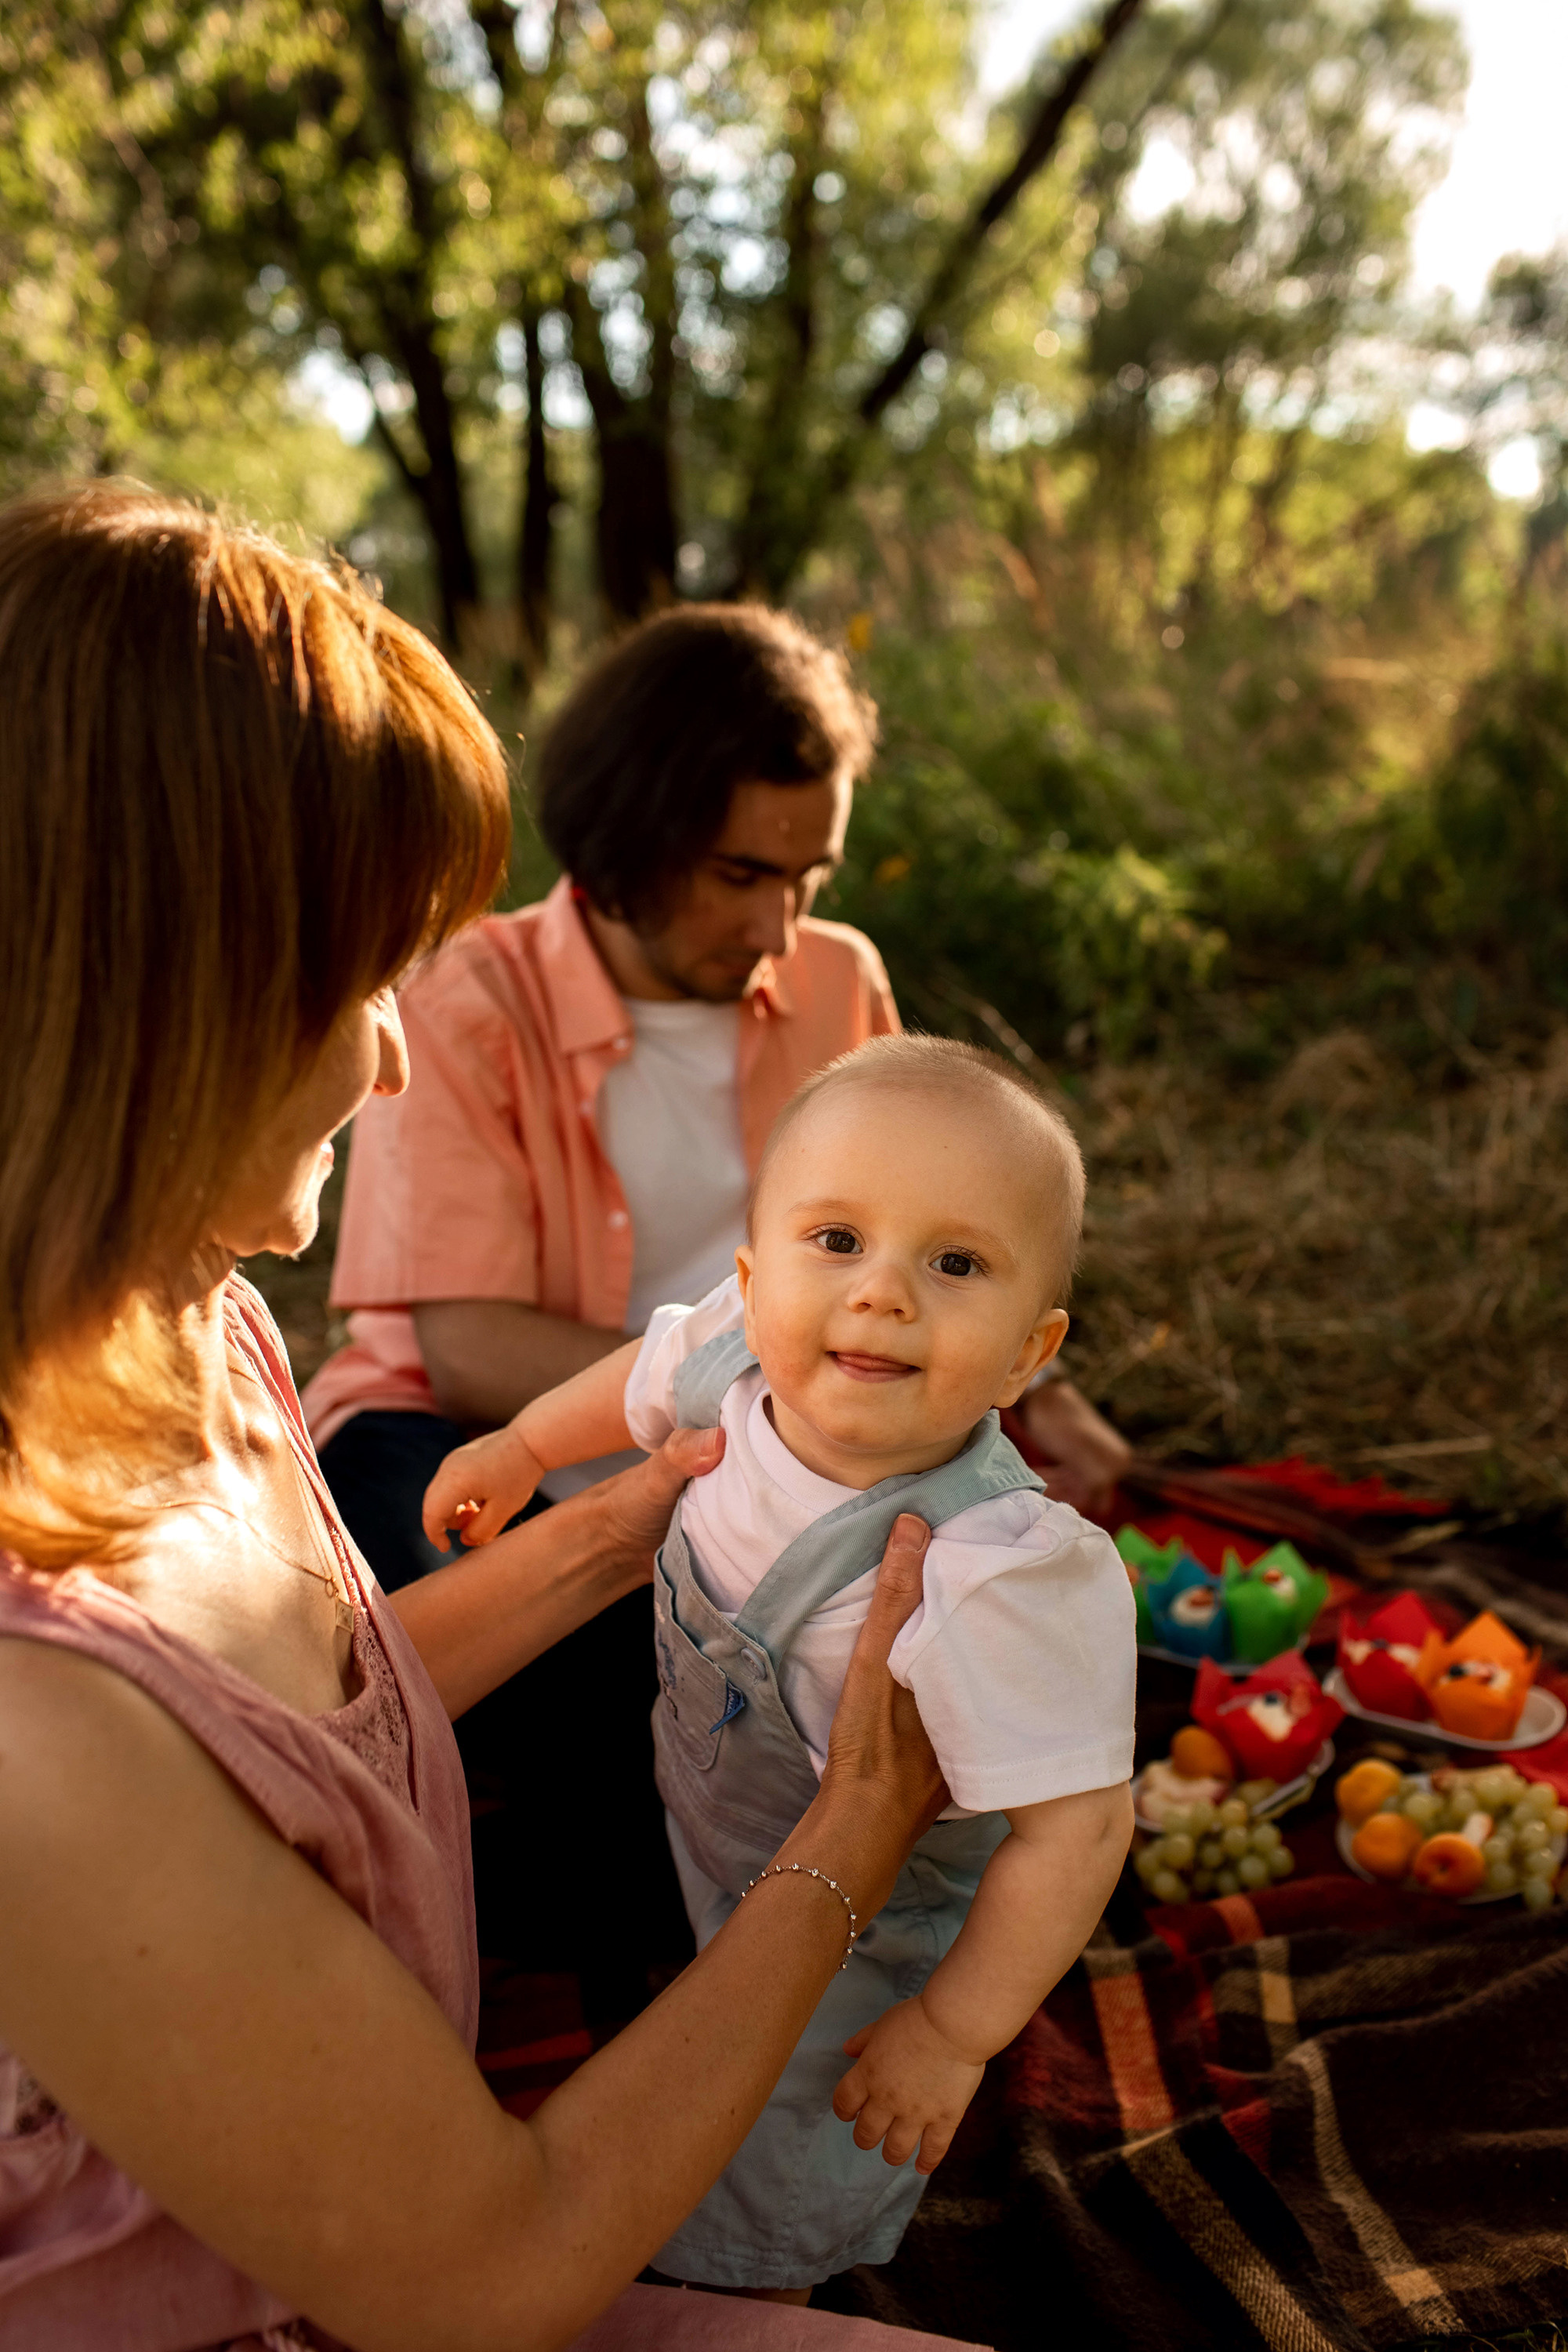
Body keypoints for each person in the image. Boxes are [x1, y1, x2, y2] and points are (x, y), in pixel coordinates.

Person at [0, 483, 957, 2351]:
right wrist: (861, 1820)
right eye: (353, 976)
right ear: (147, 998)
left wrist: (638, 1518)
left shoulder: (191, 1321)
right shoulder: (34, 1728)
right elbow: (489, 2278)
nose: (389, 1050)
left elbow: (301, 1727)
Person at [299, 606, 1132, 1996]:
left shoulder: (838, 977)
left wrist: (1039, 1392)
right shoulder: (466, 999)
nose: (776, 924)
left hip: (777, 1434)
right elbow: (465, 1342)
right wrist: (747, 1401)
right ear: (625, 831)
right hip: (473, 1432)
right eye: (742, 872)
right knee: (618, 1687)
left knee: (965, 1658)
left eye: (808, 876)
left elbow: (920, 1235)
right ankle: (665, 1989)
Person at [422, 1033, 1137, 2297]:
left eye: (955, 1262)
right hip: (716, 1813)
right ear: (751, 1281)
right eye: (838, 1242)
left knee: (798, 2114)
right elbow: (637, 1379)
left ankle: (763, 2286)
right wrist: (526, 1446)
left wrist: (952, 2035)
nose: (882, 1295)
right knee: (692, 1966)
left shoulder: (999, 1571)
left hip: (869, 1914)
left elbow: (1077, 1833)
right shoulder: (735, 1360)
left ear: (1032, 1353)